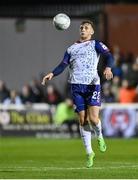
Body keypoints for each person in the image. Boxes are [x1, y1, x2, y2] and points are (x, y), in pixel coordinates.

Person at [42, 20, 114, 168]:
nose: (83, 29)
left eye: (86, 27)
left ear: (92, 31)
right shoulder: (71, 49)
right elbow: (63, 65)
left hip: (93, 85)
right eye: (81, 27)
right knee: (82, 120)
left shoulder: (96, 44)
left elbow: (109, 56)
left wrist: (108, 68)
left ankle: (99, 136)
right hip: (76, 87)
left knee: (94, 119)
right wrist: (52, 74)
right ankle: (89, 153)